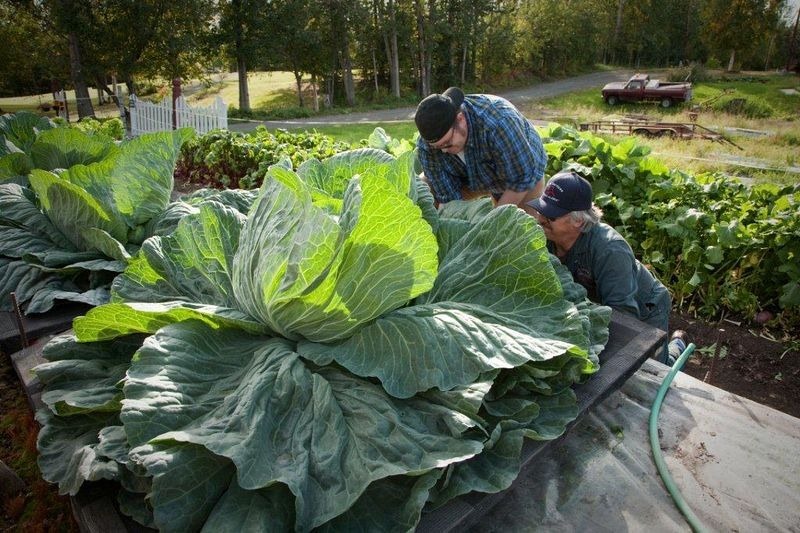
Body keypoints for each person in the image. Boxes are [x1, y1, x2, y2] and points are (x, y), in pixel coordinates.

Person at [526, 170, 686, 365]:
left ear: (578, 220)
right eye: (540, 210)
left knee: (654, 369)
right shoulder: (544, 237)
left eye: (550, 216)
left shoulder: (610, 250)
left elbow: (623, 316)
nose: (540, 219)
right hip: (599, 305)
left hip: (645, 308)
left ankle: (678, 346)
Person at [414, 87, 546, 214]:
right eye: (438, 147)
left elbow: (522, 179)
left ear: (460, 120)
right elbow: (449, 199)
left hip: (522, 170)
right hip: (467, 176)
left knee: (519, 229)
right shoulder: (427, 147)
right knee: (423, 188)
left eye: (447, 144)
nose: (443, 151)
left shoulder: (498, 123)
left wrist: (494, 221)